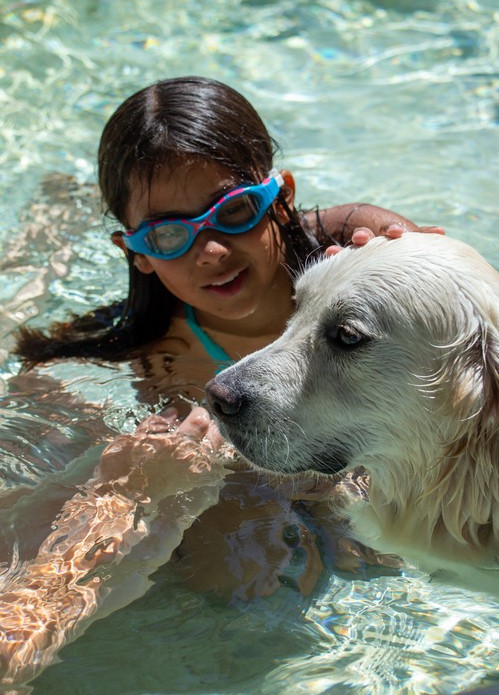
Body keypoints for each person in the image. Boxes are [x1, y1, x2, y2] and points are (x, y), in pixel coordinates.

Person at [3, 76, 443, 686]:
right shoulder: (157, 365)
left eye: (233, 211)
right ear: (135, 252)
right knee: (234, 574)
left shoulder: (349, 254)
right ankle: (53, 218)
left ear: (280, 196)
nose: (210, 251)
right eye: (168, 234)